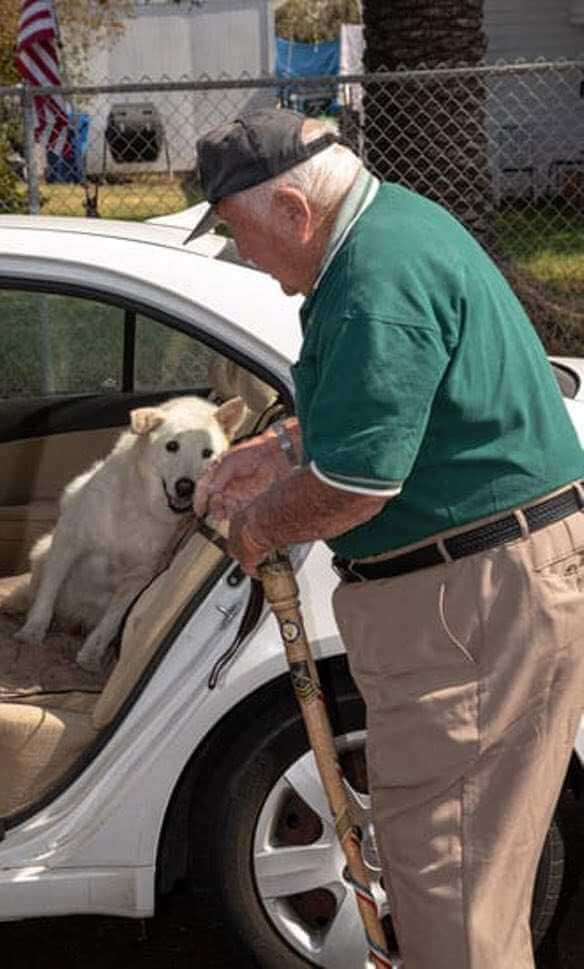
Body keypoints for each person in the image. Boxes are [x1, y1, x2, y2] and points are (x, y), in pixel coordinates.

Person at [188, 108, 584, 969]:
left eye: (241, 235)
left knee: (453, 890)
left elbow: (360, 483)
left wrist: (256, 525)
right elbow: (396, 405)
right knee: (462, 882)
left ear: (295, 209)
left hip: (472, 609)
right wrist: (283, 445)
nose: (244, 257)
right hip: (479, 598)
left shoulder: (374, 278)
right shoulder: (392, 230)